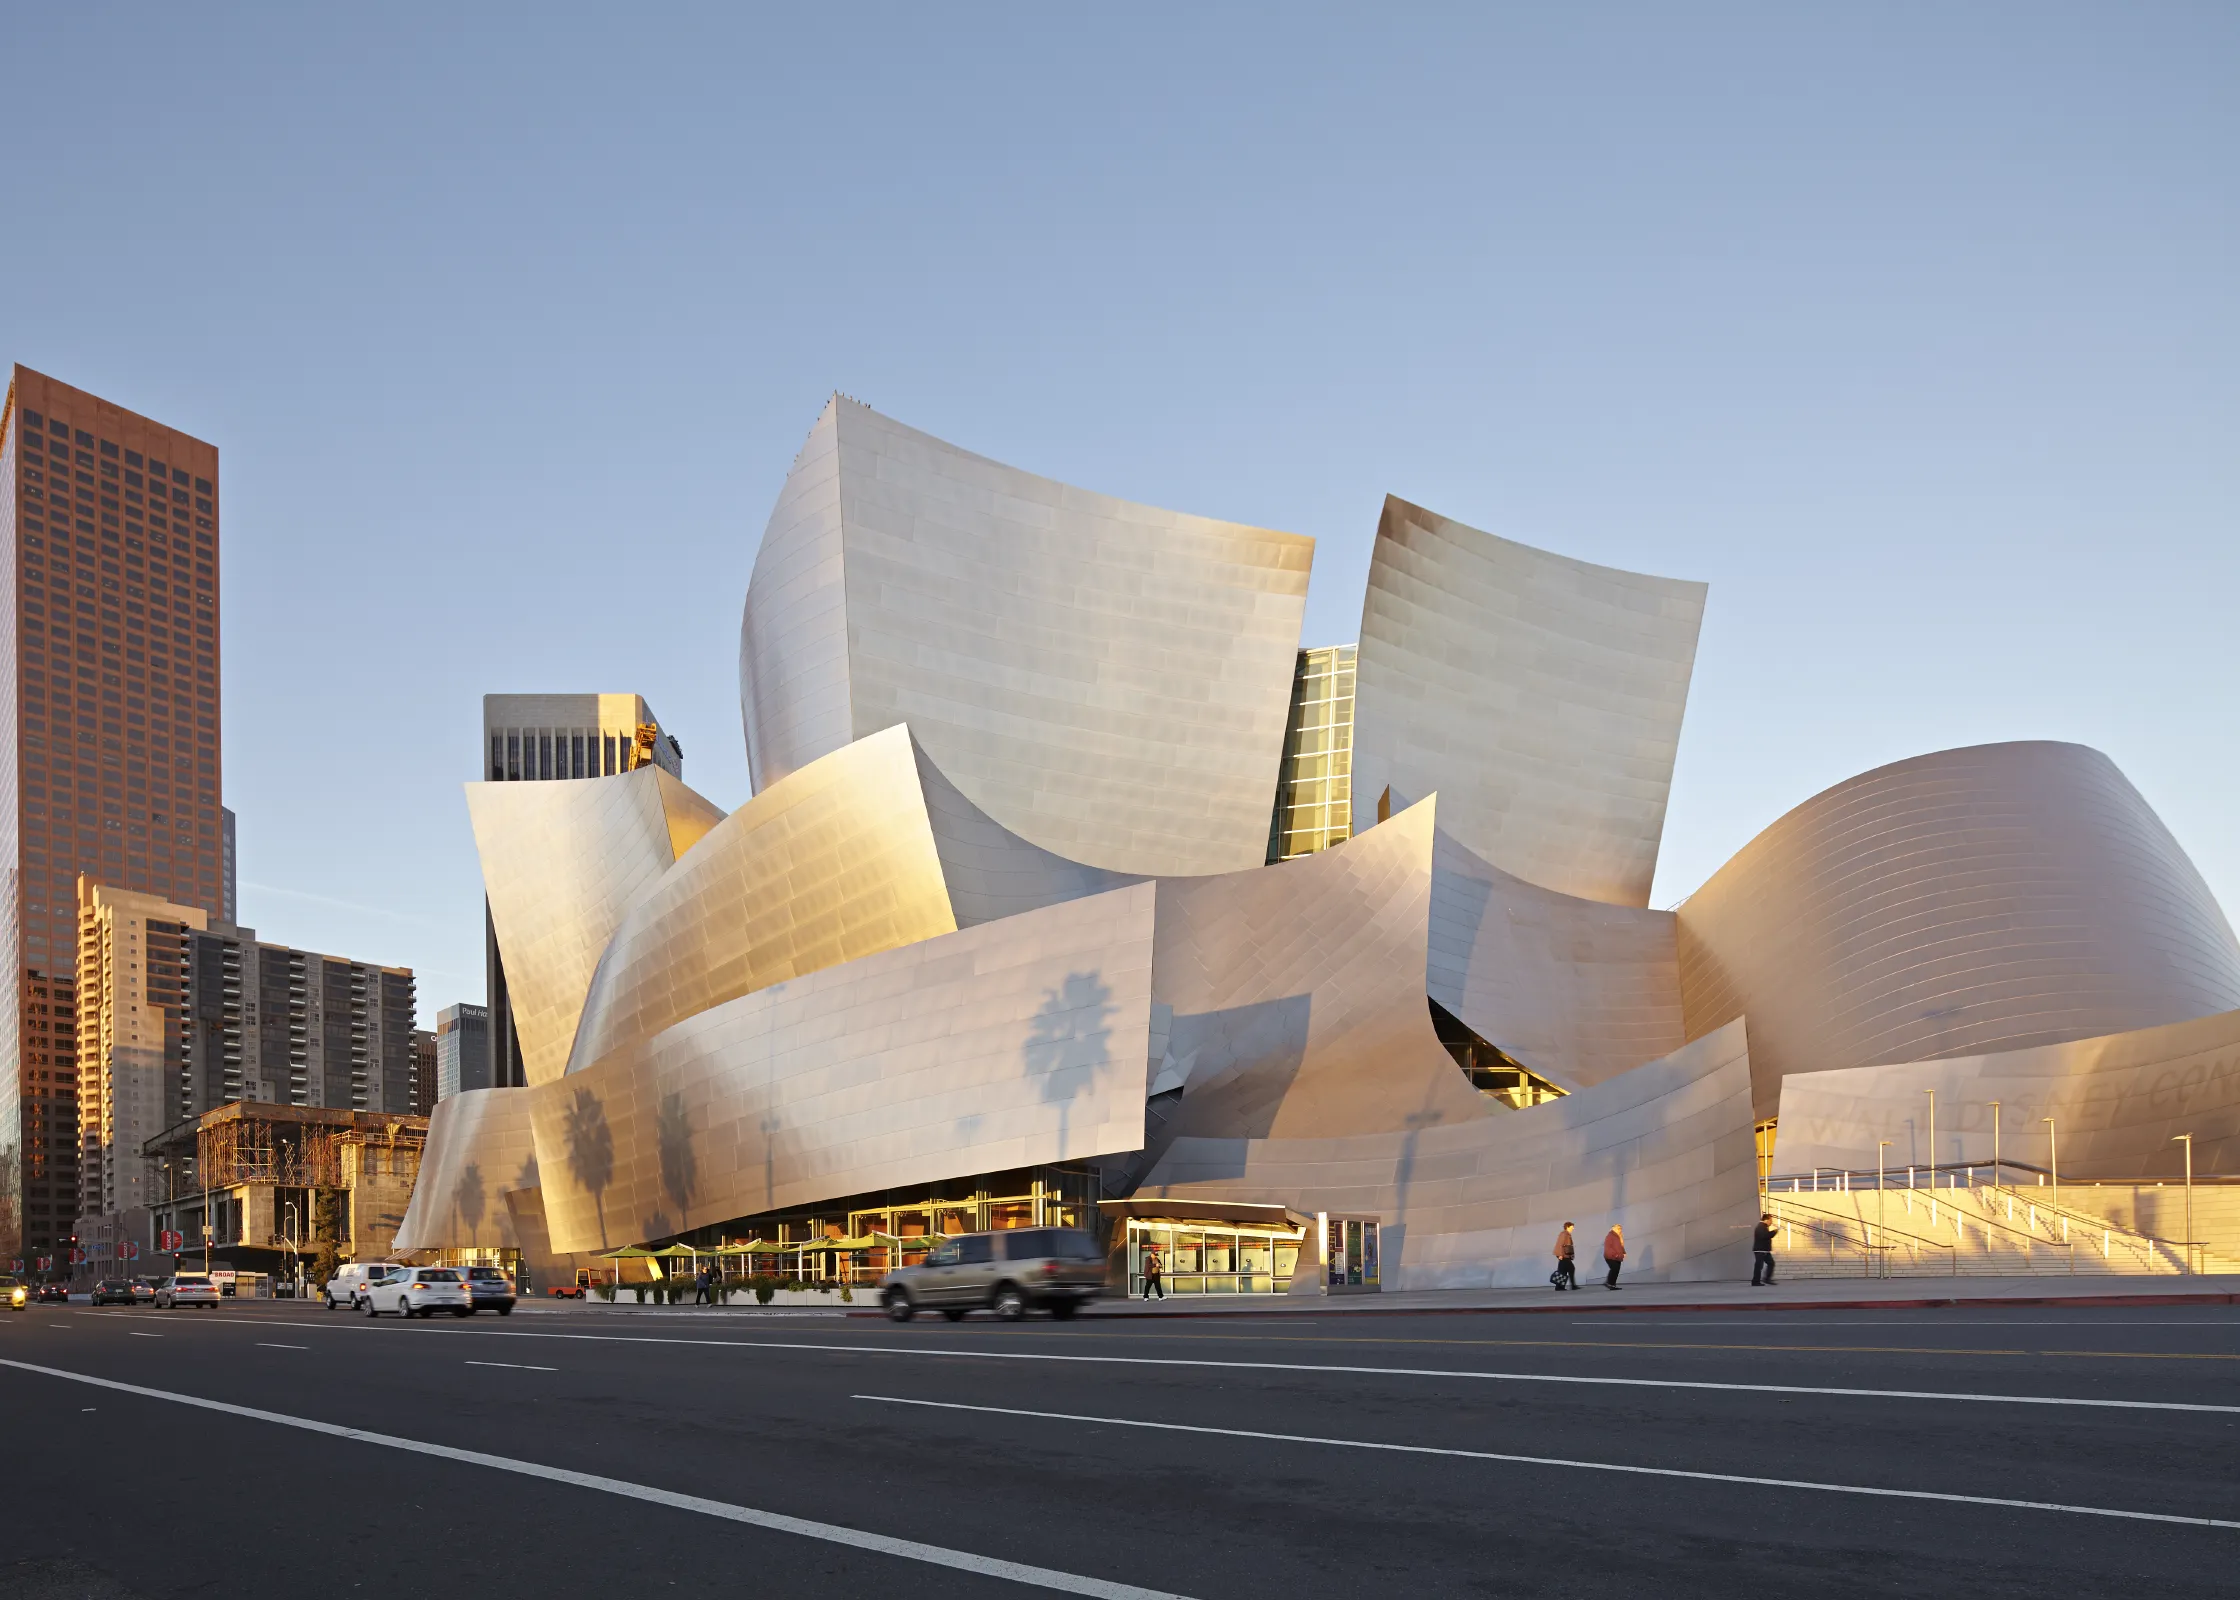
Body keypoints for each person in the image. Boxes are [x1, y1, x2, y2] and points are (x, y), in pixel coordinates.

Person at [1752, 1213, 1778, 1286]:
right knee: (1759, 1266)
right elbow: (1765, 1236)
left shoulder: (1763, 1227)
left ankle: (1767, 1279)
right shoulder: (1761, 1227)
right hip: (1760, 1250)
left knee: (1771, 1263)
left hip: (1764, 1250)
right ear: (1766, 1220)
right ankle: (1755, 1281)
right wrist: (1774, 1232)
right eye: (1770, 1220)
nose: (1771, 1222)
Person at [1550, 1222, 1578, 1291]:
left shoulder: (1567, 1234)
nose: (1573, 1228)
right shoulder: (1564, 1234)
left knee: (1562, 1271)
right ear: (1567, 1227)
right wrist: (1559, 1255)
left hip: (1565, 1255)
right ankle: (1572, 1286)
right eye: (1572, 1227)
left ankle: (1559, 1287)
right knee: (1571, 1269)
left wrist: (1571, 1255)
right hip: (1563, 1255)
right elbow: (1560, 1244)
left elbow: (1569, 1246)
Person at [1602, 1224, 1626, 1290]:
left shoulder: (1619, 1236)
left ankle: (1612, 1284)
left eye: (1620, 1229)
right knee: (1614, 1269)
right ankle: (1609, 1283)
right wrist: (1615, 1255)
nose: (1620, 1230)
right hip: (1611, 1256)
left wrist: (1624, 1252)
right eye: (1618, 1228)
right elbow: (1608, 1247)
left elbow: (1621, 1246)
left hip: (1618, 1257)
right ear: (1614, 1228)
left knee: (1616, 1270)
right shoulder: (1610, 1236)